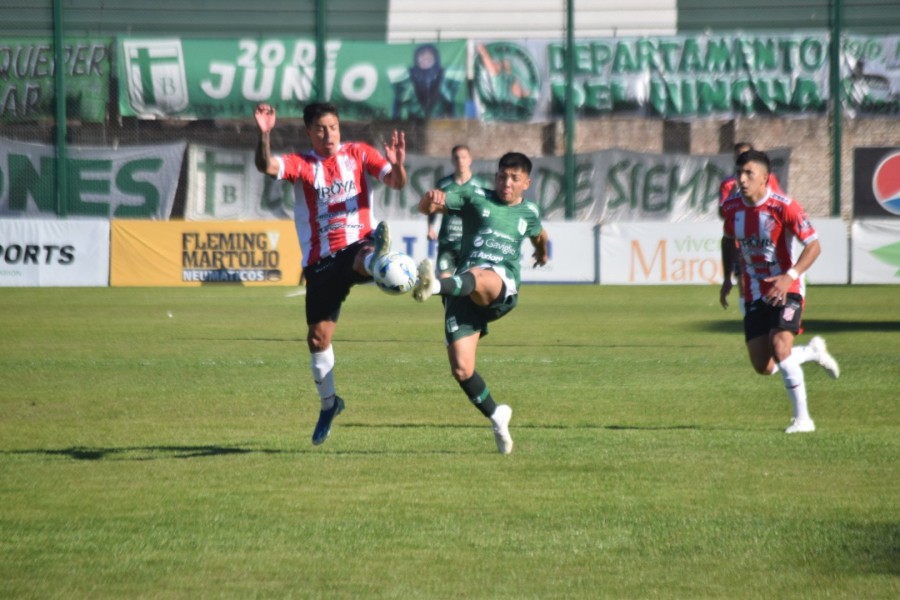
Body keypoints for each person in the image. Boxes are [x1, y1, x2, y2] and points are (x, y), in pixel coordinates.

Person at [254, 101, 407, 445]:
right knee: (317, 340)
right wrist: (264, 135)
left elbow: (396, 183)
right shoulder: (303, 165)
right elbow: (265, 164)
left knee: (361, 254)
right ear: (309, 132)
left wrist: (398, 165)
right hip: (320, 262)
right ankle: (329, 403)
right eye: (321, 129)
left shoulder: (359, 154)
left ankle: (378, 262)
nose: (329, 135)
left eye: (334, 127)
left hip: (356, 243)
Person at [413, 152, 549, 454]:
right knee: (462, 369)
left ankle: (435, 285)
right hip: (463, 289)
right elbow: (426, 208)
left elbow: (540, 235)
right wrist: (429, 198)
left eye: (514, 178)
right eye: (502, 176)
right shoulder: (474, 196)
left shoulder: (528, 212)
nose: (506, 183)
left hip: (500, 285)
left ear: (526, 182)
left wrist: (542, 253)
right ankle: (497, 415)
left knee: (479, 274)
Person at [719, 150, 839, 434]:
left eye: (749, 173)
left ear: (765, 178)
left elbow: (814, 246)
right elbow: (727, 239)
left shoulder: (785, 207)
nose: (742, 179)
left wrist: (790, 276)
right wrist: (726, 277)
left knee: (780, 347)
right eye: (739, 173)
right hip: (754, 292)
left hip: (789, 288)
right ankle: (811, 353)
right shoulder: (733, 206)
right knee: (764, 366)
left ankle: (803, 420)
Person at [427, 145, 492, 278]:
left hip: (472, 245)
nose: (460, 161)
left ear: (470, 160)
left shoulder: (482, 185)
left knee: (470, 284)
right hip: (448, 244)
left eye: (464, 157)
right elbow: (432, 207)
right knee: (444, 281)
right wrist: (430, 227)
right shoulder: (443, 184)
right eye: (457, 158)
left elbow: (490, 211)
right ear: (452, 161)